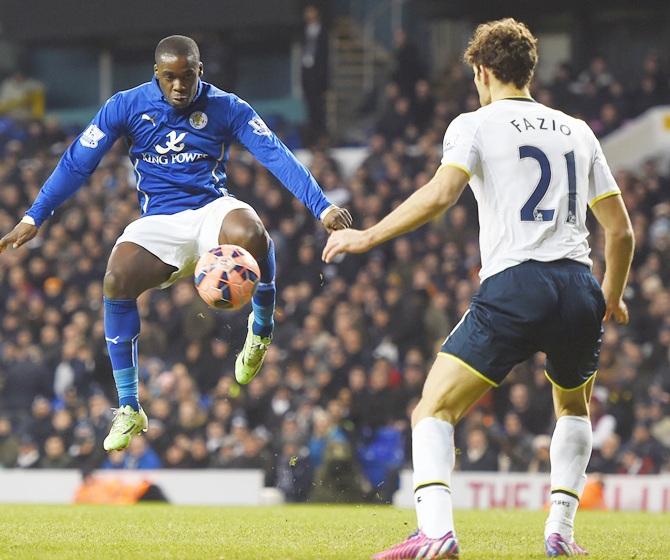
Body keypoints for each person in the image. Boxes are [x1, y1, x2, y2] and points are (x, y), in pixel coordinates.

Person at [323, 18, 634, 559]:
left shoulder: (476, 123)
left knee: (432, 410)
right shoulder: (578, 130)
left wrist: (367, 235)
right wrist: (611, 292)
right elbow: (621, 230)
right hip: (579, 285)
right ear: (528, 70)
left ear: (482, 70)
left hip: (517, 283)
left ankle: (435, 533)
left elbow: (441, 195)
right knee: (573, 409)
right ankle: (560, 533)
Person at [0, 35, 352, 453]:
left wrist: (322, 207)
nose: (179, 86)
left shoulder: (227, 107)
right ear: (157, 75)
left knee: (251, 232)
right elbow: (78, 160)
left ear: (200, 71)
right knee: (115, 280)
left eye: (187, 77)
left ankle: (260, 329)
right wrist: (33, 215)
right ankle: (130, 407)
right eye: (170, 78)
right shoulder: (126, 106)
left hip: (210, 211)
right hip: (159, 224)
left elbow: (275, 154)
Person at [300, 4, 329, 145]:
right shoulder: (304, 31)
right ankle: (312, 140)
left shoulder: (323, 31)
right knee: (310, 110)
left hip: (318, 77)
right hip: (307, 75)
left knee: (319, 110)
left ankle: (322, 138)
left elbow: (325, 58)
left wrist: (324, 83)